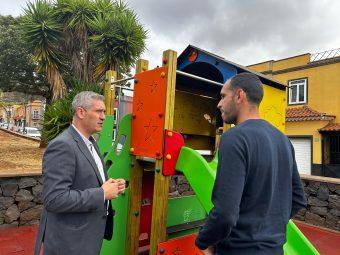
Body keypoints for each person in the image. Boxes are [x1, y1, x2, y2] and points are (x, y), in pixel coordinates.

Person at [195, 73, 307, 255]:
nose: (219, 104)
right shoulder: (283, 140)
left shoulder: (234, 138)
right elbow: (298, 199)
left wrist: (204, 241)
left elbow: (225, 214)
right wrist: (267, 229)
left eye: (223, 96)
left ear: (239, 95)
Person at [34, 91, 125, 255]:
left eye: (104, 112)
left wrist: (112, 185)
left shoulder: (91, 142)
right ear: (81, 112)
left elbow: (87, 179)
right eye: (98, 111)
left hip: (88, 237)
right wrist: (102, 194)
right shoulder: (62, 146)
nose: (103, 117)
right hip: (70, 243)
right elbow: (54, 199)